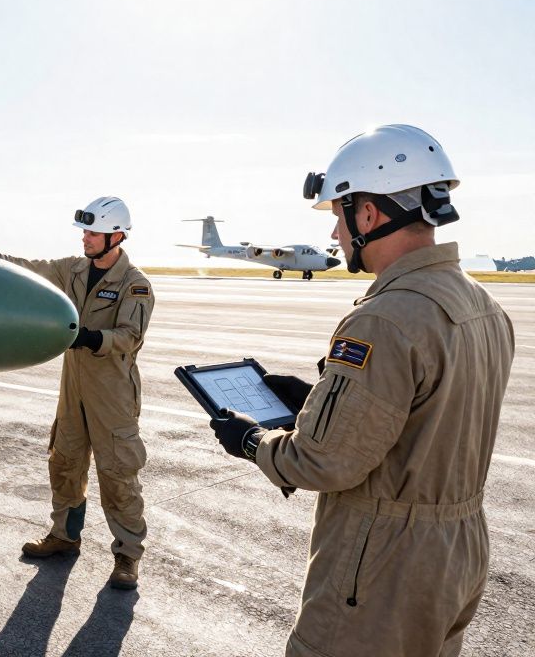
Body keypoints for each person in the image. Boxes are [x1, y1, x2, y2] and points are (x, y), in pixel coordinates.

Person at [209, 125, 514, 657]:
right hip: (458, 552)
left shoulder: (386, 318)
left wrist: (252, 441)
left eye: (338, 218)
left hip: (384, 568)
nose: (336, 238)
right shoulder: (483, 307)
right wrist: (317, 398)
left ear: (368, 214)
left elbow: (324, 462)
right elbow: (423, 418)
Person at [0, 196, 154, 590]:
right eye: (85, 231)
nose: (86, 237)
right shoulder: (75, 269)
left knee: (117, 473)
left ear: (116, 236)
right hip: (73, 388)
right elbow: (33, 269)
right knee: (64, 462)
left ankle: (127, 555)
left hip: (112, 392)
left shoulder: (136, 285)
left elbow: (130, 338)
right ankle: (64, 536)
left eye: (93, 232)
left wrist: (90, 337)